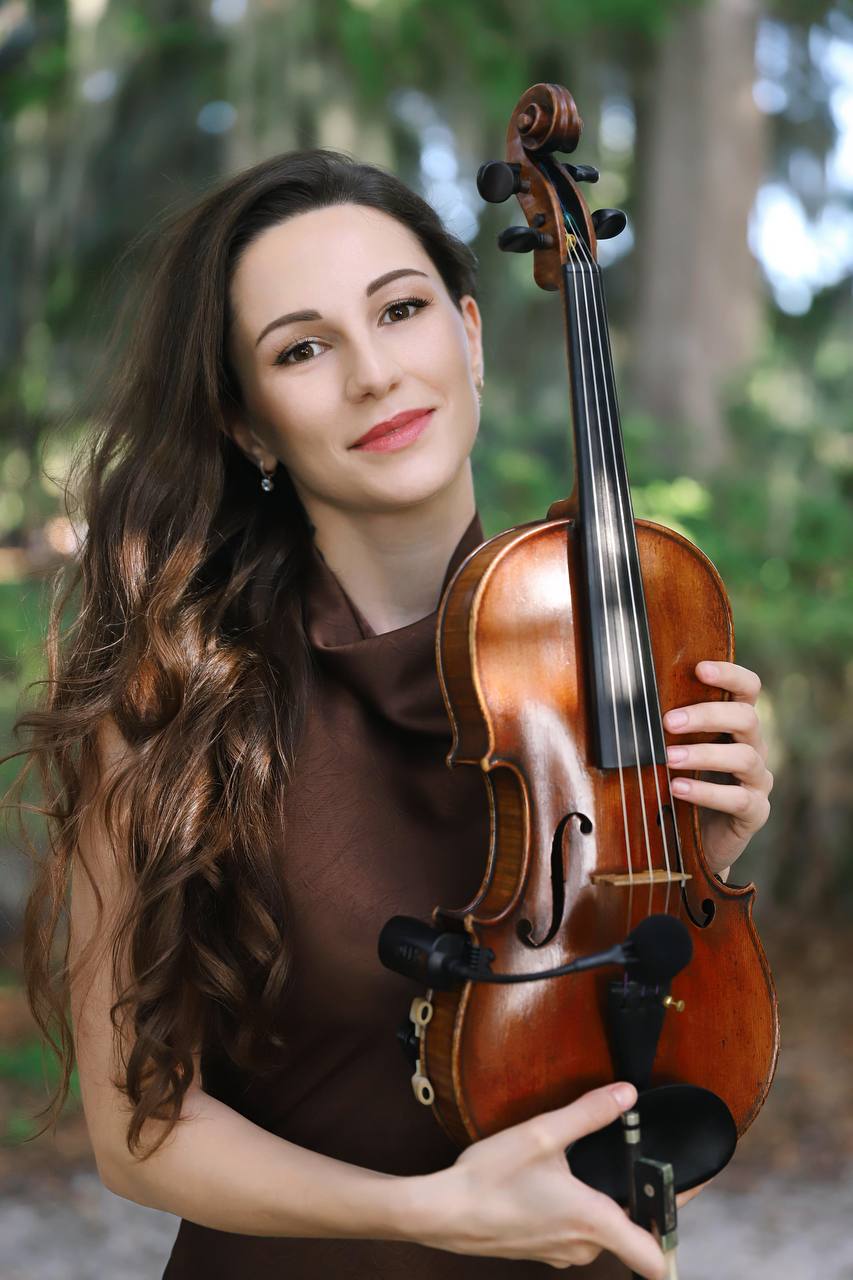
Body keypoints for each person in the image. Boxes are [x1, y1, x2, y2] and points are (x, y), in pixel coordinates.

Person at [16, 149, 773, 1280]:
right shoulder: (171, 704)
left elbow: (644, 1098)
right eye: (302, 348)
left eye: (401, 310)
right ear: (248, 425)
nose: (373, 374)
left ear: (469, 336)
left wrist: (680, 864)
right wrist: (430, 1211)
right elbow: (140, 1133)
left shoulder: (621, 638)